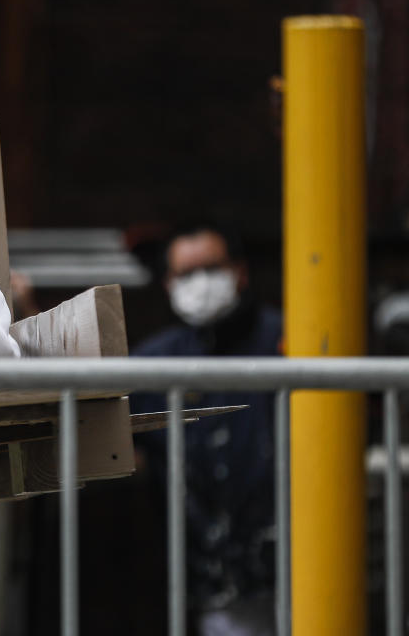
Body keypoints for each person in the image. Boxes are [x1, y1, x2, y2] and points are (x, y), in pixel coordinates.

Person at [131, 223, 281, 636]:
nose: (201, 283)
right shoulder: (154, 363)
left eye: (211, 268)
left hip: (304, 566)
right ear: (167, 285)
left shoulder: (288, 341)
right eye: (186, 274)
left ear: (240, 272)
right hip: (216, 583)